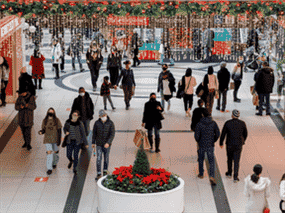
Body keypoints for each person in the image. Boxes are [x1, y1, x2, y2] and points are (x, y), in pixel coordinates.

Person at [219, 110, 248, 183]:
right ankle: (235, 177)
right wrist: (243, 141)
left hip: (229, 144)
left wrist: (221, 142)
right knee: (236, 160)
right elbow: (245, 134)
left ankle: (229, 173)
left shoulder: (228, 123)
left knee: (229, 158)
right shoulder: (242, 123)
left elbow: (223, 134)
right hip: (238, 144)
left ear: (232, 115)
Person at [195, 109, 220, 185]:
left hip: (202, 144)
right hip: (210, 145)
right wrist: (213, 140)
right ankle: (212, 176)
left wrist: (199, 141)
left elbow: (196, 136)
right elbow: (218, 134)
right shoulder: (213, 123)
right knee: (211, 161)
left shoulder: (199, 124)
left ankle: (201, 174)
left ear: (203, 115)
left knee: (200, 159)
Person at [92, 110, 115, 181]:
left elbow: (112, 134)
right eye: (102, 116)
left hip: (107, 145)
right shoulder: (96, 123)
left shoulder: (110, 123)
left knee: (106, 158)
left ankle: (105, 172)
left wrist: (108, 142)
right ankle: (99, 173)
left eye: (104, 115)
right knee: (98, 158)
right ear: (99, 116)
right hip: (99, 144)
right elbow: (94, 133)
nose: (104, 117)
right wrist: (93, 142)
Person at [63, 110, 89, 175]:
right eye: (73, 115)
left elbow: (83, 134)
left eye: (76, 115)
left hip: (77, 142)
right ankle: (71, 160)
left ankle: (75, 168)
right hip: (69, 141)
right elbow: (64, 128)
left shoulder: (80, 123)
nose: (74, 116)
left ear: (78, 116)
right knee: (68, 154)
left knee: (76, 155)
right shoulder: (68, 122)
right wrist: (65, 132)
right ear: (71, 115)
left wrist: (86, 143)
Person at [39, 108, 62, 175]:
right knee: (49, 153)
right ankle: (49, 168)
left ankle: (54, 162)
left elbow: (59, 131)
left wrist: (59, 141)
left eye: (52, 112)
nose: (50, 113)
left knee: (55, 152)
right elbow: (43, 129)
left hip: (55, 139)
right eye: (49, 112)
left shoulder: (57, 120)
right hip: (47, 139)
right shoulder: (45, 120)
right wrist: (41, 132)